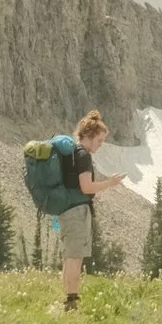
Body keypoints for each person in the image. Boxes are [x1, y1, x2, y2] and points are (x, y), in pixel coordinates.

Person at [60, 110, 124, 311]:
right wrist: (110, 183)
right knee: (75, 257)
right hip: (77, 212)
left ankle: (70, 298)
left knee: (70, 256)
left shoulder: (73, 153)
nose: (101, 144)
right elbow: (86, 187)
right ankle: (71, 302)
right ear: (88, 135)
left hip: (67, 210)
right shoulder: (83, 156)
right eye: (100, 140)